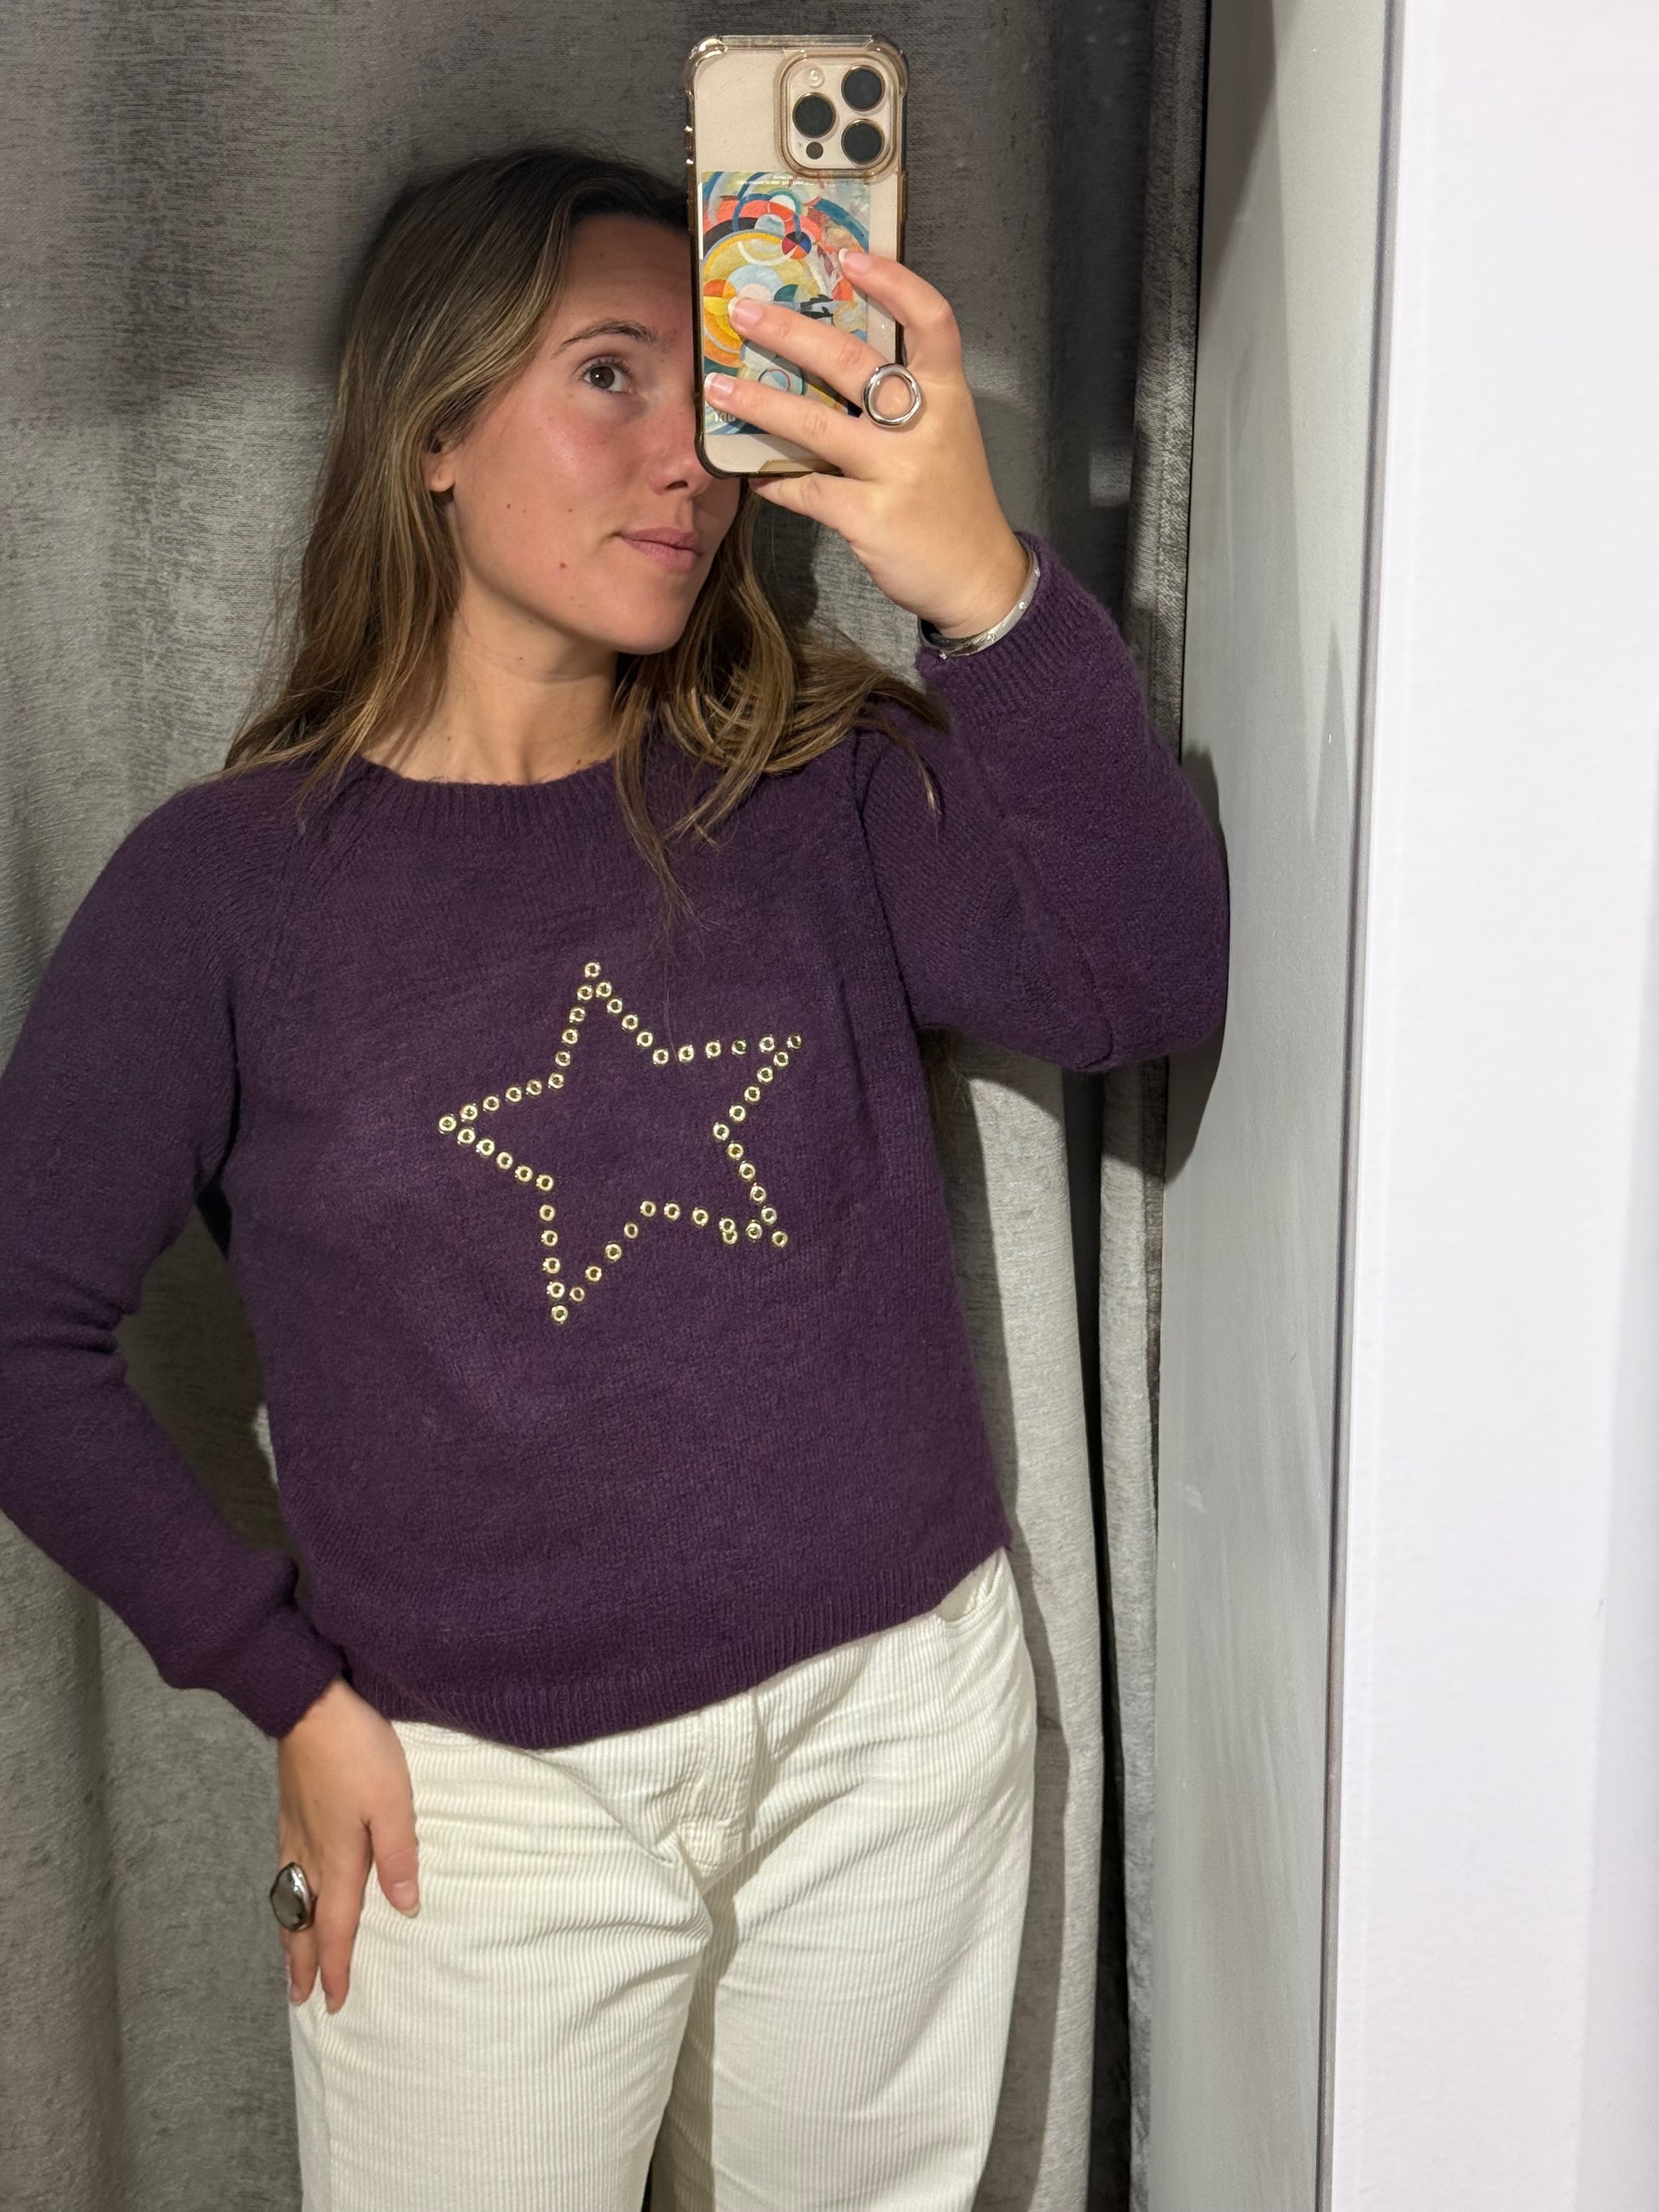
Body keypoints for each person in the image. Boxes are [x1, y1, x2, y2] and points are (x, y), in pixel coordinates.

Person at [0, 145, 1228, 2210]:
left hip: (891, 1728)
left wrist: (986, 590)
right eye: (606, 376)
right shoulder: (223, 892)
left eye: (712, 392)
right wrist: (282, 1686)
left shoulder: (812, 779)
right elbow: (19, 1327)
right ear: (432, 432)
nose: (689, 461)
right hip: (477, 1807)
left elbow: (1142, 983)